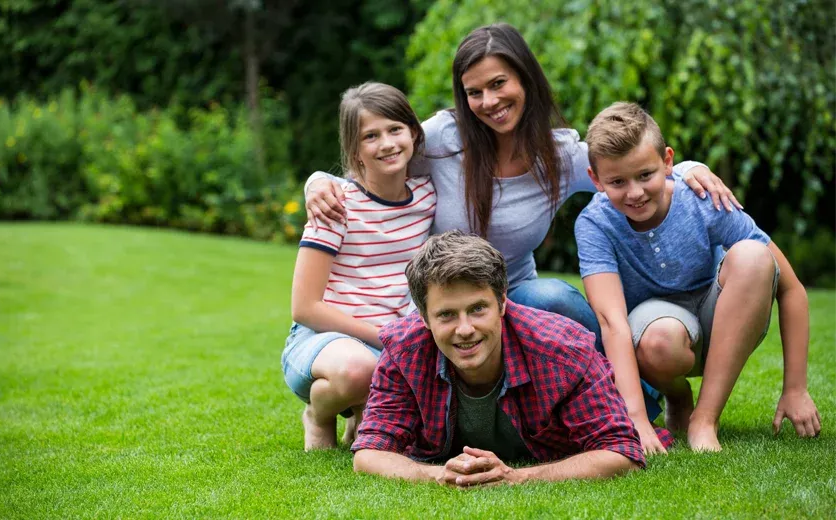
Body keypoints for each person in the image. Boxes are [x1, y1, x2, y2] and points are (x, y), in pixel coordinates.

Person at [301, 23, 738, 351]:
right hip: (445, 297)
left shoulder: (560, 157)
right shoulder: (441, 139)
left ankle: (636, 396)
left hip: (515, 294)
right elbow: (380, 157)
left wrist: (687, 167)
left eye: (498, 84)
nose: (489, 102)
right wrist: (318, 180)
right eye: (474, 92)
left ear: (525, 79)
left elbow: (628, 162)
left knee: (555, 296)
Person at [575, 102, 821, 453]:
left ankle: (705, 420)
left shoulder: (703, 197)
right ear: (596, 180)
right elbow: (612, 322)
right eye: (617, 182)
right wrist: (637, 419)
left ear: (668, 161)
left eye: (645, 175)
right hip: (659, 333)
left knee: (754, 256)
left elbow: (792, 288)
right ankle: (678, 397)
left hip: (724, 315)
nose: (634, 192)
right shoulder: (594, 225)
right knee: (659, 341)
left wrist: (795, 389)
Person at [352, 232, 646, 487]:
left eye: (478, 308)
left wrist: (518, 477)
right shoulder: (404, 351)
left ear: (502, 302)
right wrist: (437, 475)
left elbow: (621, 452)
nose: (465, 329)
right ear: (424, 317)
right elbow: (370, 453)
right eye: (446, 314)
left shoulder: (562, 350)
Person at [283, 82, 436, 450]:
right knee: (357, 370)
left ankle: (365, 413)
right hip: (324, 341)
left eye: (395, 129)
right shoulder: (335, 206)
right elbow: (304, 308)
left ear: (414, 133)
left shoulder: (428, 196)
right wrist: (383, 335)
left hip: (393, 341)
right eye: (371, 136)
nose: (386, 144)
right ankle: (319, 415)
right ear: (355, 150)